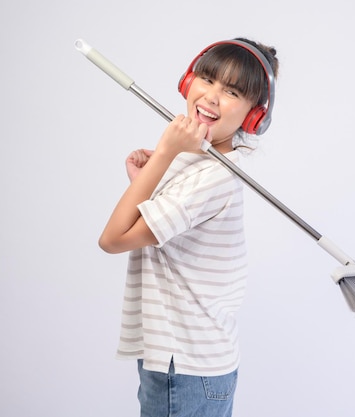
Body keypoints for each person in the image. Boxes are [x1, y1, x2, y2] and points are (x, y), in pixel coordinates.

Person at [98, 37, 279, 417]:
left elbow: (113, 239)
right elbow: (156, 227)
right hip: (189, 359)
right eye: (207, 79)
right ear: (187, 81)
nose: (211, 97)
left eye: (231, 91)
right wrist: (149, 176)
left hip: (185, 364)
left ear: (252, 116)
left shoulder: (211, 178)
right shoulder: (197, 161)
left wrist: (164, 152)